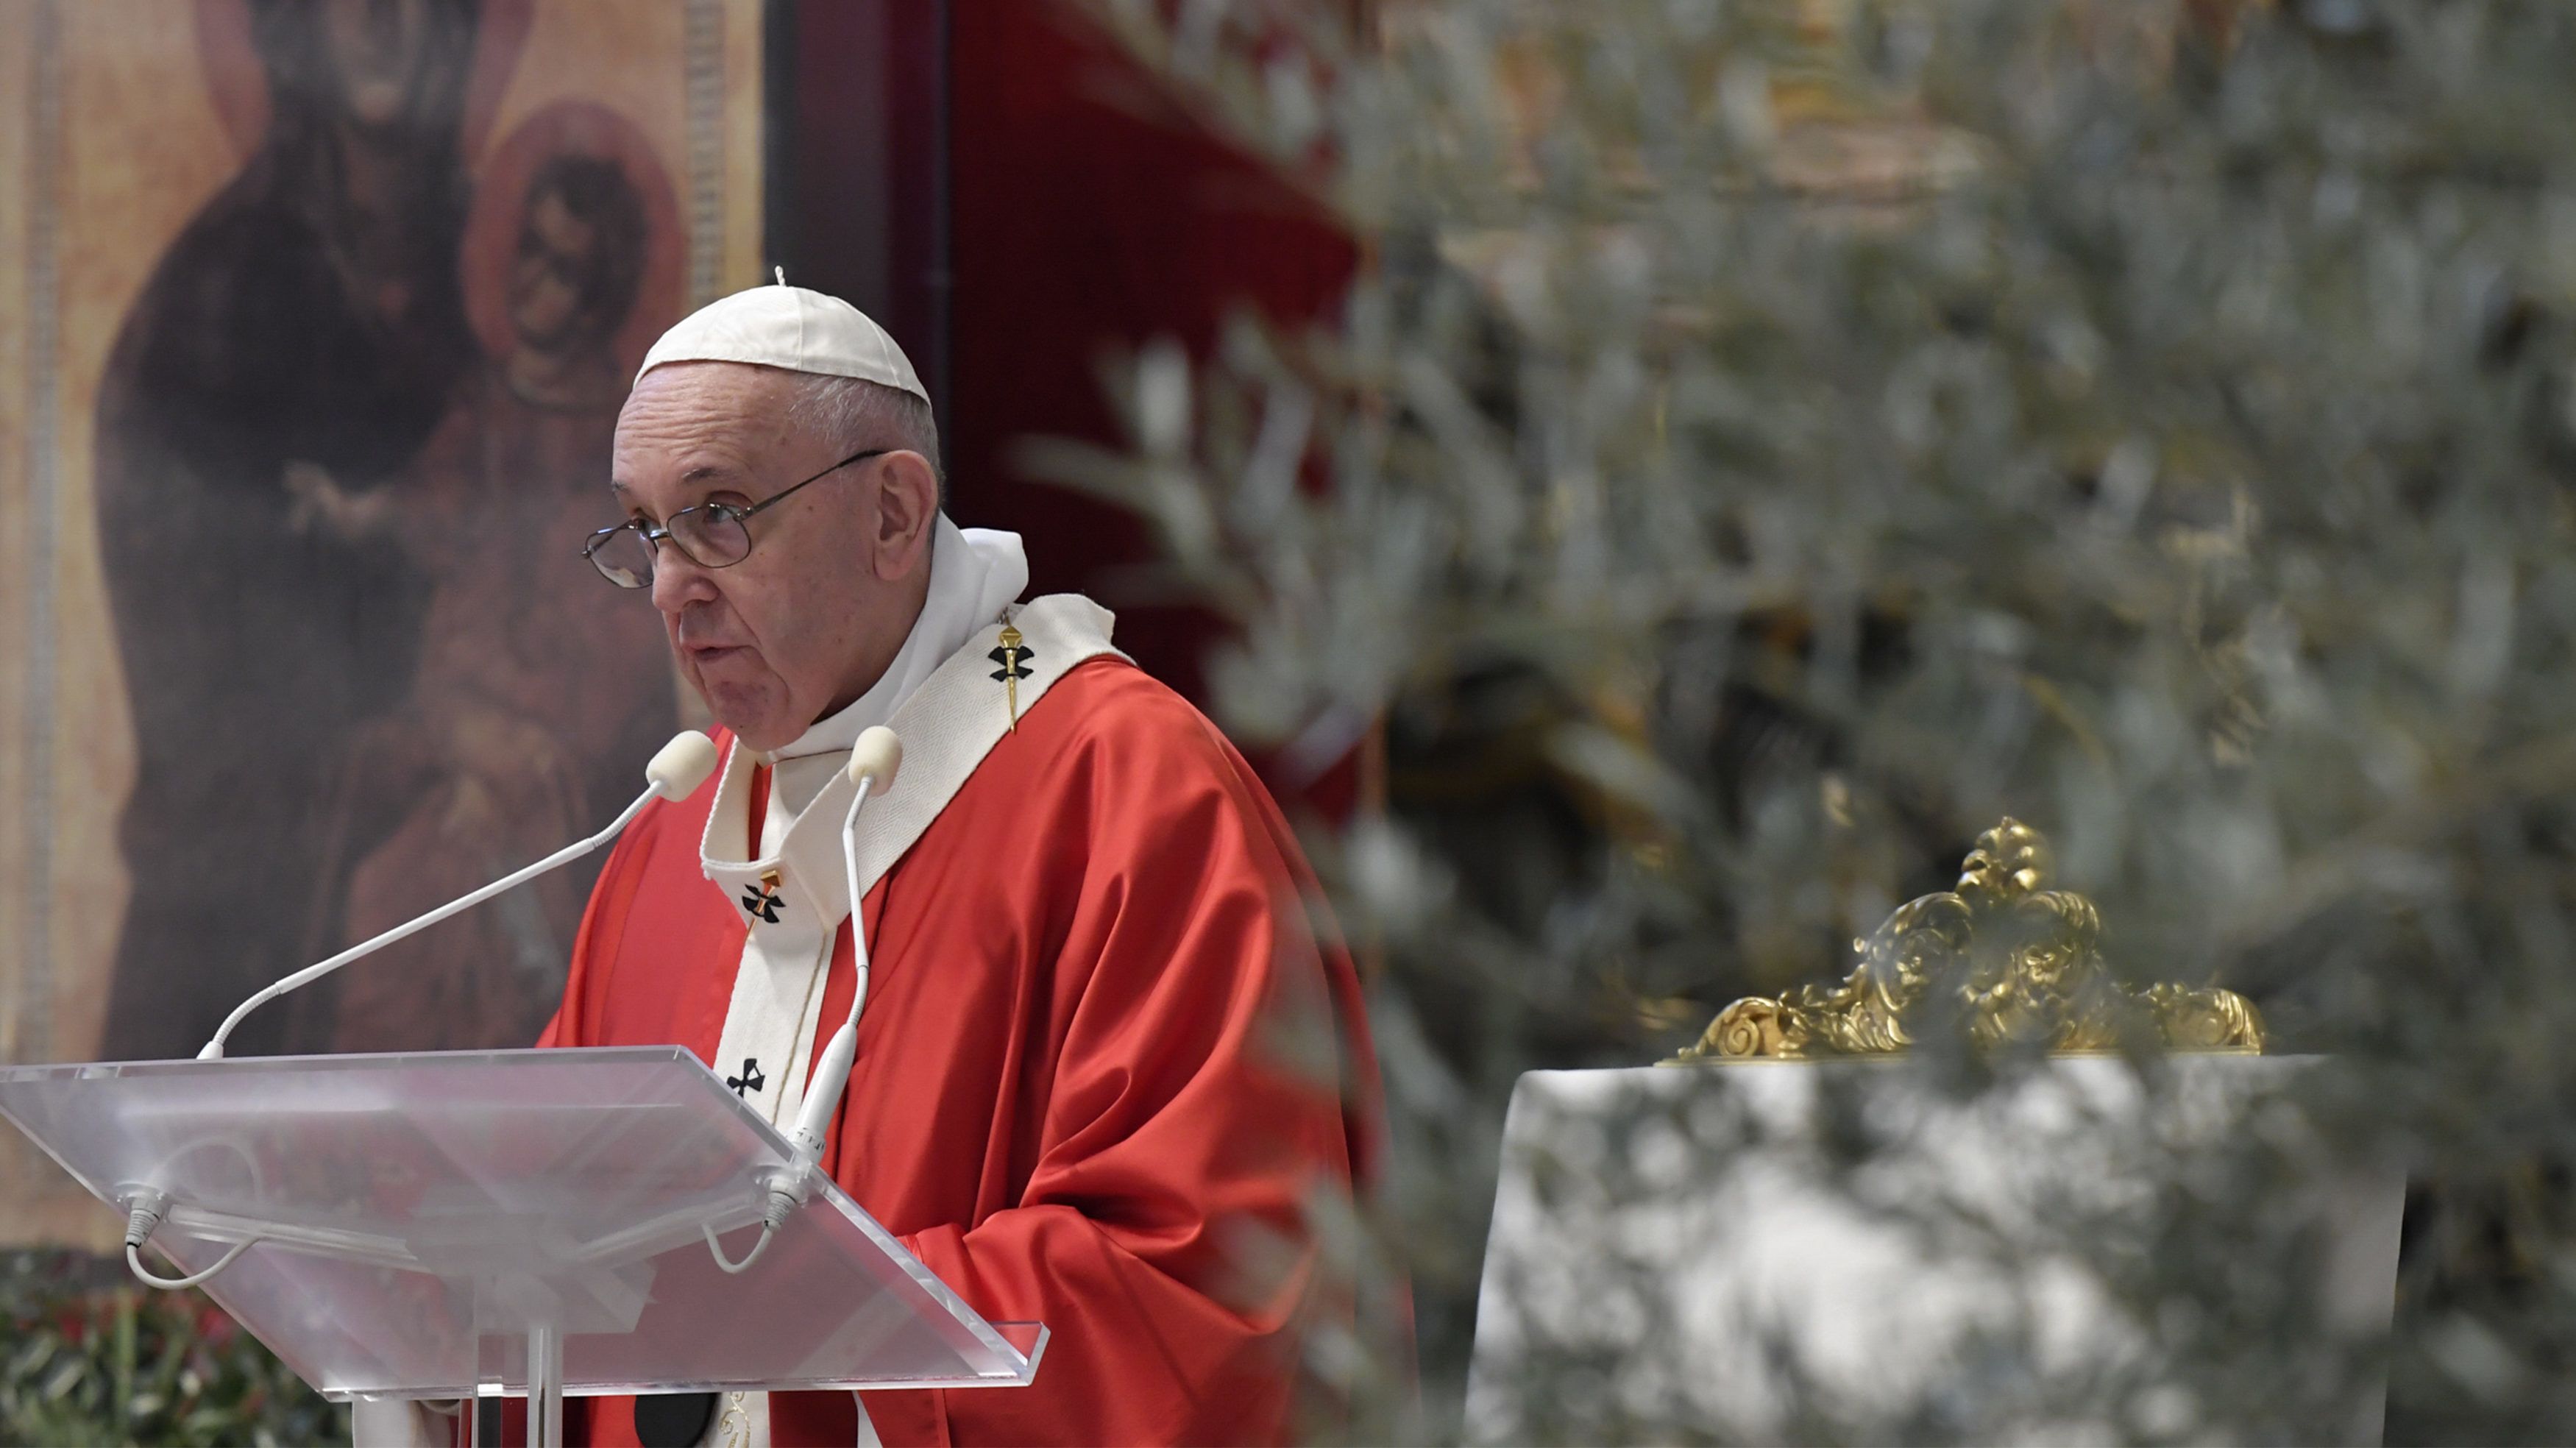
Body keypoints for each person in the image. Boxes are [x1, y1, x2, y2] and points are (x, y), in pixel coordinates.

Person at [525, 283, 1380, 1446]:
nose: (674, 585)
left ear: (893, 512)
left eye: (720, 515)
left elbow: (1204, 1278)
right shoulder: (673, 834)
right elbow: (544, 1223)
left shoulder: (1123, 786)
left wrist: (793, 1311)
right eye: (642, 531)